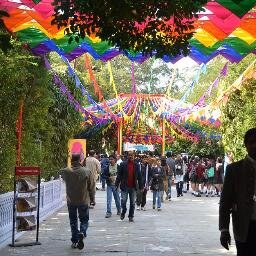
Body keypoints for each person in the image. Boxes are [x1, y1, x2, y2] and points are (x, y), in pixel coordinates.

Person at [219, 128, 256, 255]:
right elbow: (225, 202)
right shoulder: (234, 170)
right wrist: (224, 230)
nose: (254, 145)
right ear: (246, 145)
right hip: (244, 228)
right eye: (251, 142)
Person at [60, 154, 95, 250]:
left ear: (71, 160)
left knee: (73, 220)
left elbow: (63, 177)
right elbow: (91, 187)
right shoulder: (87, 171)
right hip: (83, 200)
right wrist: (92, 199)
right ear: (80, 160)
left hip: (71, 200)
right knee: (84, 220)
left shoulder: (65, 171)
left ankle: (75, 241)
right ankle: (82, 232)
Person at [115, 151, 143, 222]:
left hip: (133, 187)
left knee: (132, 203)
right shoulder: (123, 164)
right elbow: (119, 176)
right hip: (125, 186)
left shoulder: (136, 165)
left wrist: (141, 187)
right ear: (127, 156)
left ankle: (131, 216)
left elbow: (139, 176)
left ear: (134, 156)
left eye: (132, 155)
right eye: (129, 155)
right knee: (123, 201)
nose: (130, 156)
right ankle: (124, 211)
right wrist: (116, 184)